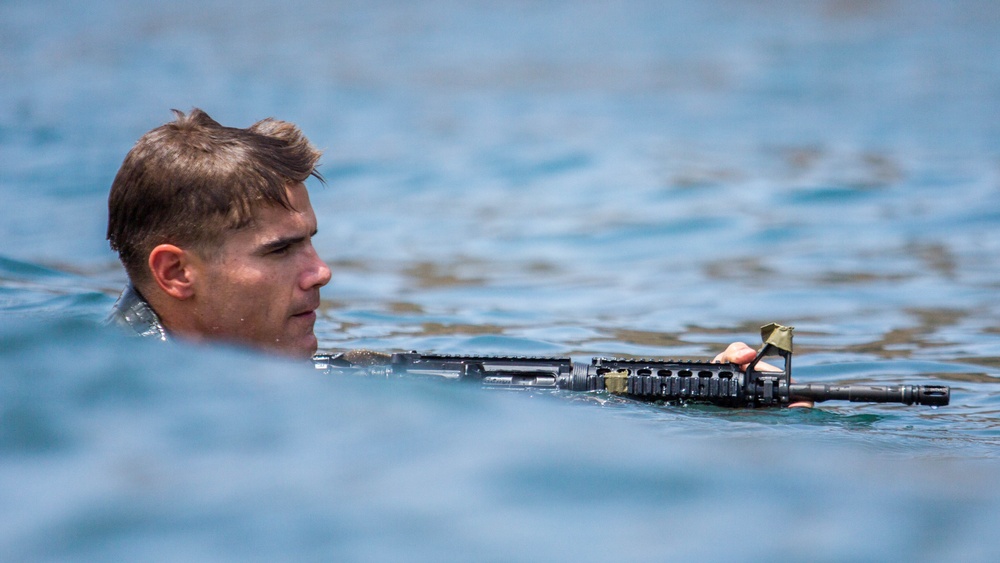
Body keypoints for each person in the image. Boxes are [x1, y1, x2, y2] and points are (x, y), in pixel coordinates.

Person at [106, 108, 778, 374]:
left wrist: (695, 386)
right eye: (281, 250)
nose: (322, 272)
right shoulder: (118, 402)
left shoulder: (253, 369)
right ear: (175, 273)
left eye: (311, 242)